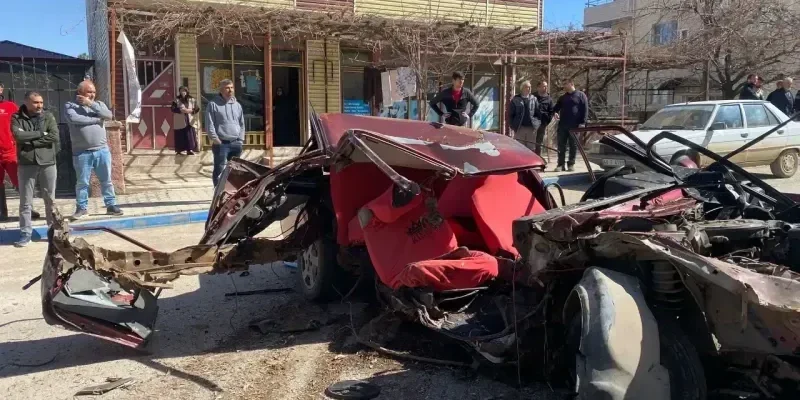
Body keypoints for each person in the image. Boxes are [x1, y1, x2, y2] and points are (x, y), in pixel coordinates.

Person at [64, 80, 123, 220]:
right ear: (80, 93)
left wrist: (90, 104)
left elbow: (108, 115)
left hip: (102, 150)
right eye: (89, 92)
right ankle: (82, 208)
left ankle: (111, 205)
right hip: (82, 152)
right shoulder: (70, 105)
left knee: (106, 180)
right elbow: (75, 119)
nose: (92, 94)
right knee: (82, 182)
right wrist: (96, 120)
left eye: (94, 92)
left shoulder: (99, 105)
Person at [11, 91, 59, 247]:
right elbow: (19, 136)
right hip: (27, 163)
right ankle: (25, 233)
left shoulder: (48, 116)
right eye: (36, 102)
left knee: (50, 200)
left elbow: (54, 136)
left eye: (41, 102)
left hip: (47, 162)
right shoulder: (16, 118)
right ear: (26, 102)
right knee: (26, 202)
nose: (40, 105)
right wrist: (40, 133)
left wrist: (31, 142)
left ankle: (53, 232)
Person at [206, 79, 244, 186]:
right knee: (219, 170)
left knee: (236, 171)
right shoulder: (213, 104)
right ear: (221, 90)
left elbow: (242, 124)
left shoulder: (237, 105)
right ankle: (218, 195)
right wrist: (216, 140)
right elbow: (209, 124)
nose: (230, 90)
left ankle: (232, 194)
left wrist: (240, 140)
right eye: (227, 88)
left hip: (236, 143)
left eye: (231, 87)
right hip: (221, 144)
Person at [553, 79, 588, 172]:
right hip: (563, 125)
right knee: (561, 145)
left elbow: (585, 109)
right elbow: (556, 108)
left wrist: (583, 123)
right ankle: (560, 165)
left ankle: (571, 164)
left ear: (571, 84)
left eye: (565, 84)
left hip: (575, 125)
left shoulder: (581, 95)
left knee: (573, 145)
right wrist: (555, 112)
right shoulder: (563, 97)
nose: (564, 86)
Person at [508, 81, 540, 152]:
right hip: (520, 128)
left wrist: (537, 124)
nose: (529, 89)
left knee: (531, 148)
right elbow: (511, 114)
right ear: (522, 88)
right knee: (519, 148)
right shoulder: (515, 99)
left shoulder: (534, 99)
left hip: (531, 128)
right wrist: (513, 126)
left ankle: (531, 162)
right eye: (527, 87)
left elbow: (538, 113)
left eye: (530, 87)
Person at [171, 86, 199, 155]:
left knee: (189, 135)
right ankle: (179, 150)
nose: (183, 92)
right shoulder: (176, 99)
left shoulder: (192, 99)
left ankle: (190, 150)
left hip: (189, 120)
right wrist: (180, 110)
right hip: (180, 120)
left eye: (184, 90)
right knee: (180, 135)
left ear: (187, 91)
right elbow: (172, 108)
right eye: (181, 91)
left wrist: (191, 111)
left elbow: (197, 108)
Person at [534, 81, 555, 155]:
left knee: (539, 142)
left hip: (542, 123)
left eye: (546, 86)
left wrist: (547, 121)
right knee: (530, 142)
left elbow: (552, 111)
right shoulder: (532, 97)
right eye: (543, 86)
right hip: (532, 123)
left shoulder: (548, 99)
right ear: (538, 87)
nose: (545, 88)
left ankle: (537, 157)